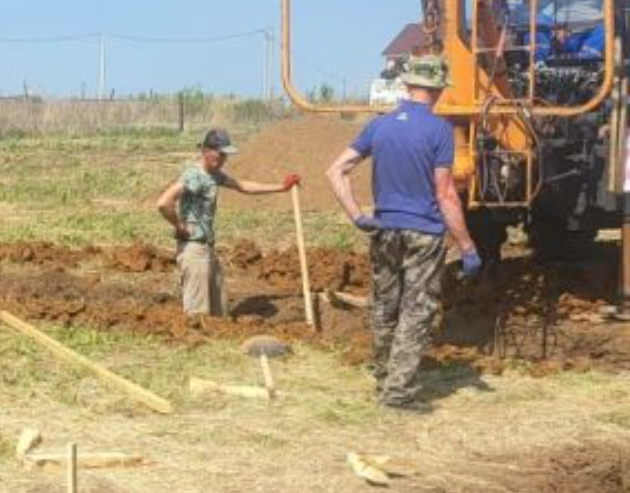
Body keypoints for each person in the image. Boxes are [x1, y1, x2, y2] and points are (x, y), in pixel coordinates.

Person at [324, 54, 480, 411]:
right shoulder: (439, 130)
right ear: (438, 89)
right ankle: (397, 394)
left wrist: (357, 215)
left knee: (384, 305)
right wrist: (467, 245)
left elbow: (335, 170)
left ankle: (383, 377)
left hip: (385, 229)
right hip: (423, 232)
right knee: (417, 309)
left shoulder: (381, 125)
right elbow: (444, 193)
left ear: (408, 85)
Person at [156, 129, 299, 322]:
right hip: (193, 248)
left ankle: (220, 339)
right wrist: (180, 226)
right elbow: (164, 203)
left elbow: (243, 186)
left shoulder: (213, 175)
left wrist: (281, 188)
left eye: (226, 155)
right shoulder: (194, 175)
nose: (224, 159)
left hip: (206, 247)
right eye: (220, 154)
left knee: (219, 310)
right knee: (198, 315)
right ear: (206, 150)